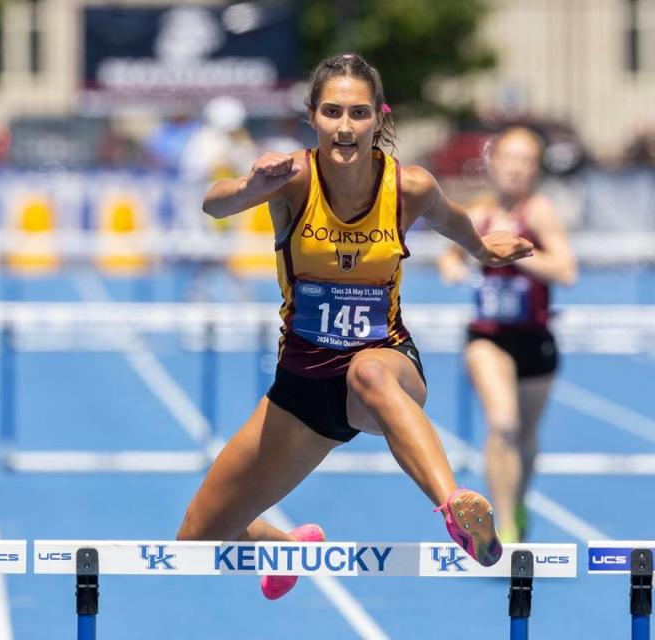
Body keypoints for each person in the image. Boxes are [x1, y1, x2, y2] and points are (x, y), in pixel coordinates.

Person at [176, 53, 534, 600]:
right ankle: (283, 547)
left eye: (359, 113)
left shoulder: (407, 187)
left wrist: (484, 250)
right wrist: (251, 186)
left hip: (385, 367)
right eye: (333, 111)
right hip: (304, 386)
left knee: (367, 371)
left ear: (379, 118)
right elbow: (213, 204)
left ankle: (455, 506)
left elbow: (453, 218)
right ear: (313, 116)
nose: (345, 126)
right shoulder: (293, 180)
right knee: (194, 541)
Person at [438, 126, 577, 543]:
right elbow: (449, 255)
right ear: (492, 162)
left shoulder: (538, 212)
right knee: (502, 425)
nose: (516, 168)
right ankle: (504, 528)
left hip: (535, 338)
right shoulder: (479, 212)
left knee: (527, 439)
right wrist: (458, 266)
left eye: (526, 161)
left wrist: (518, 252)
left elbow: (566, 271)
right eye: (509, 158)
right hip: (488, 337)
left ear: (535, 169)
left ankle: (517, 500)